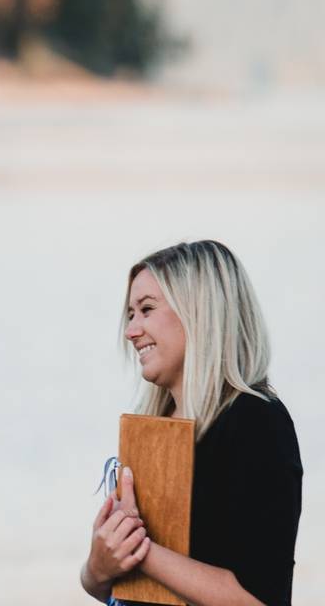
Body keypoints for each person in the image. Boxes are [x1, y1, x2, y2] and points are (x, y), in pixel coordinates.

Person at [81, 240, 303, 606]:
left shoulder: (256, 422)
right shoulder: (153, 429)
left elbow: (258, 599)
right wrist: (97, 566)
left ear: (198, 312)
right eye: (131, 314)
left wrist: (140, 548)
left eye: (146, 309)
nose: (131, 331)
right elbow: (108, 586)